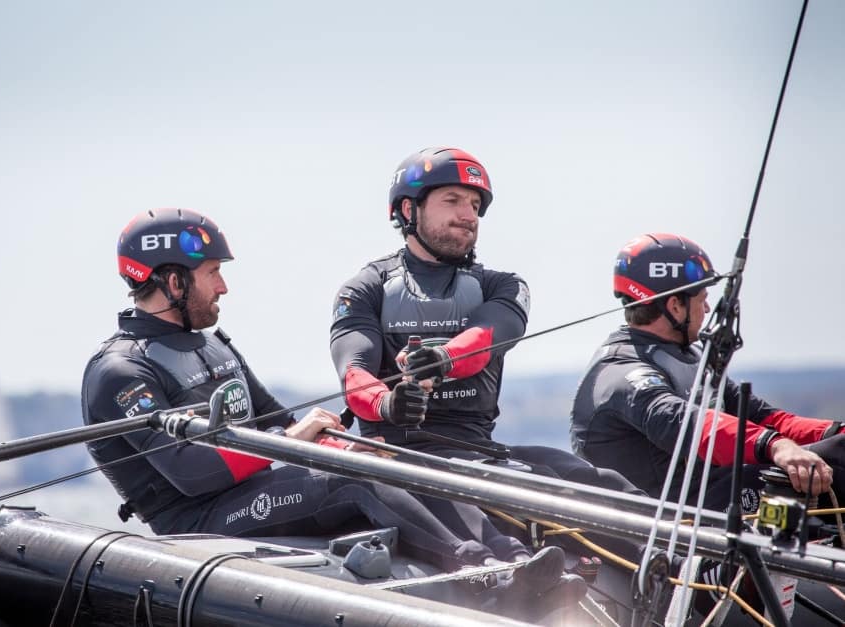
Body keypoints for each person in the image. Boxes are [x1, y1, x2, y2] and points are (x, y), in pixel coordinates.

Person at [82, 208, 583, 619]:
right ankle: (486, 576)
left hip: (252, 486)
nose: (223, 287)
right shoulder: (120, 370)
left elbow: (272, 416)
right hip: (199, 517)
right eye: (213, 273)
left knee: (385, 456)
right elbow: (194, 474)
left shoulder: (213, 346)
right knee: (350, 480)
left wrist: (327, 435)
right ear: (172, 281)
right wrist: (298, 440)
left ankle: (517, 561)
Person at [328, 148, 652, 575]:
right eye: (453, 201)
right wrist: (388, 404)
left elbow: (486, 338)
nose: (468, 215)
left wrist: (440, 358)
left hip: (480, 448)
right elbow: (355, 373)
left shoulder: (502, 285)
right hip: (402, 454)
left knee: (591, 482)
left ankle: (687, 567)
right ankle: (510, 572)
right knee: (479, 490)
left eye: (475, 205)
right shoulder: (366, 287)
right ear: (409, 209)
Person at [570, 232, 845, 511]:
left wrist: (833, 431)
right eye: (702, 298)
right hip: (674, 524)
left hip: (715, 493)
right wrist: (776, 447)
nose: (708, 308)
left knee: (839, 451)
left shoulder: (689, 356)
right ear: (675, 306)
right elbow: (686, 423)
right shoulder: (621, 372)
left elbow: (766, 418)